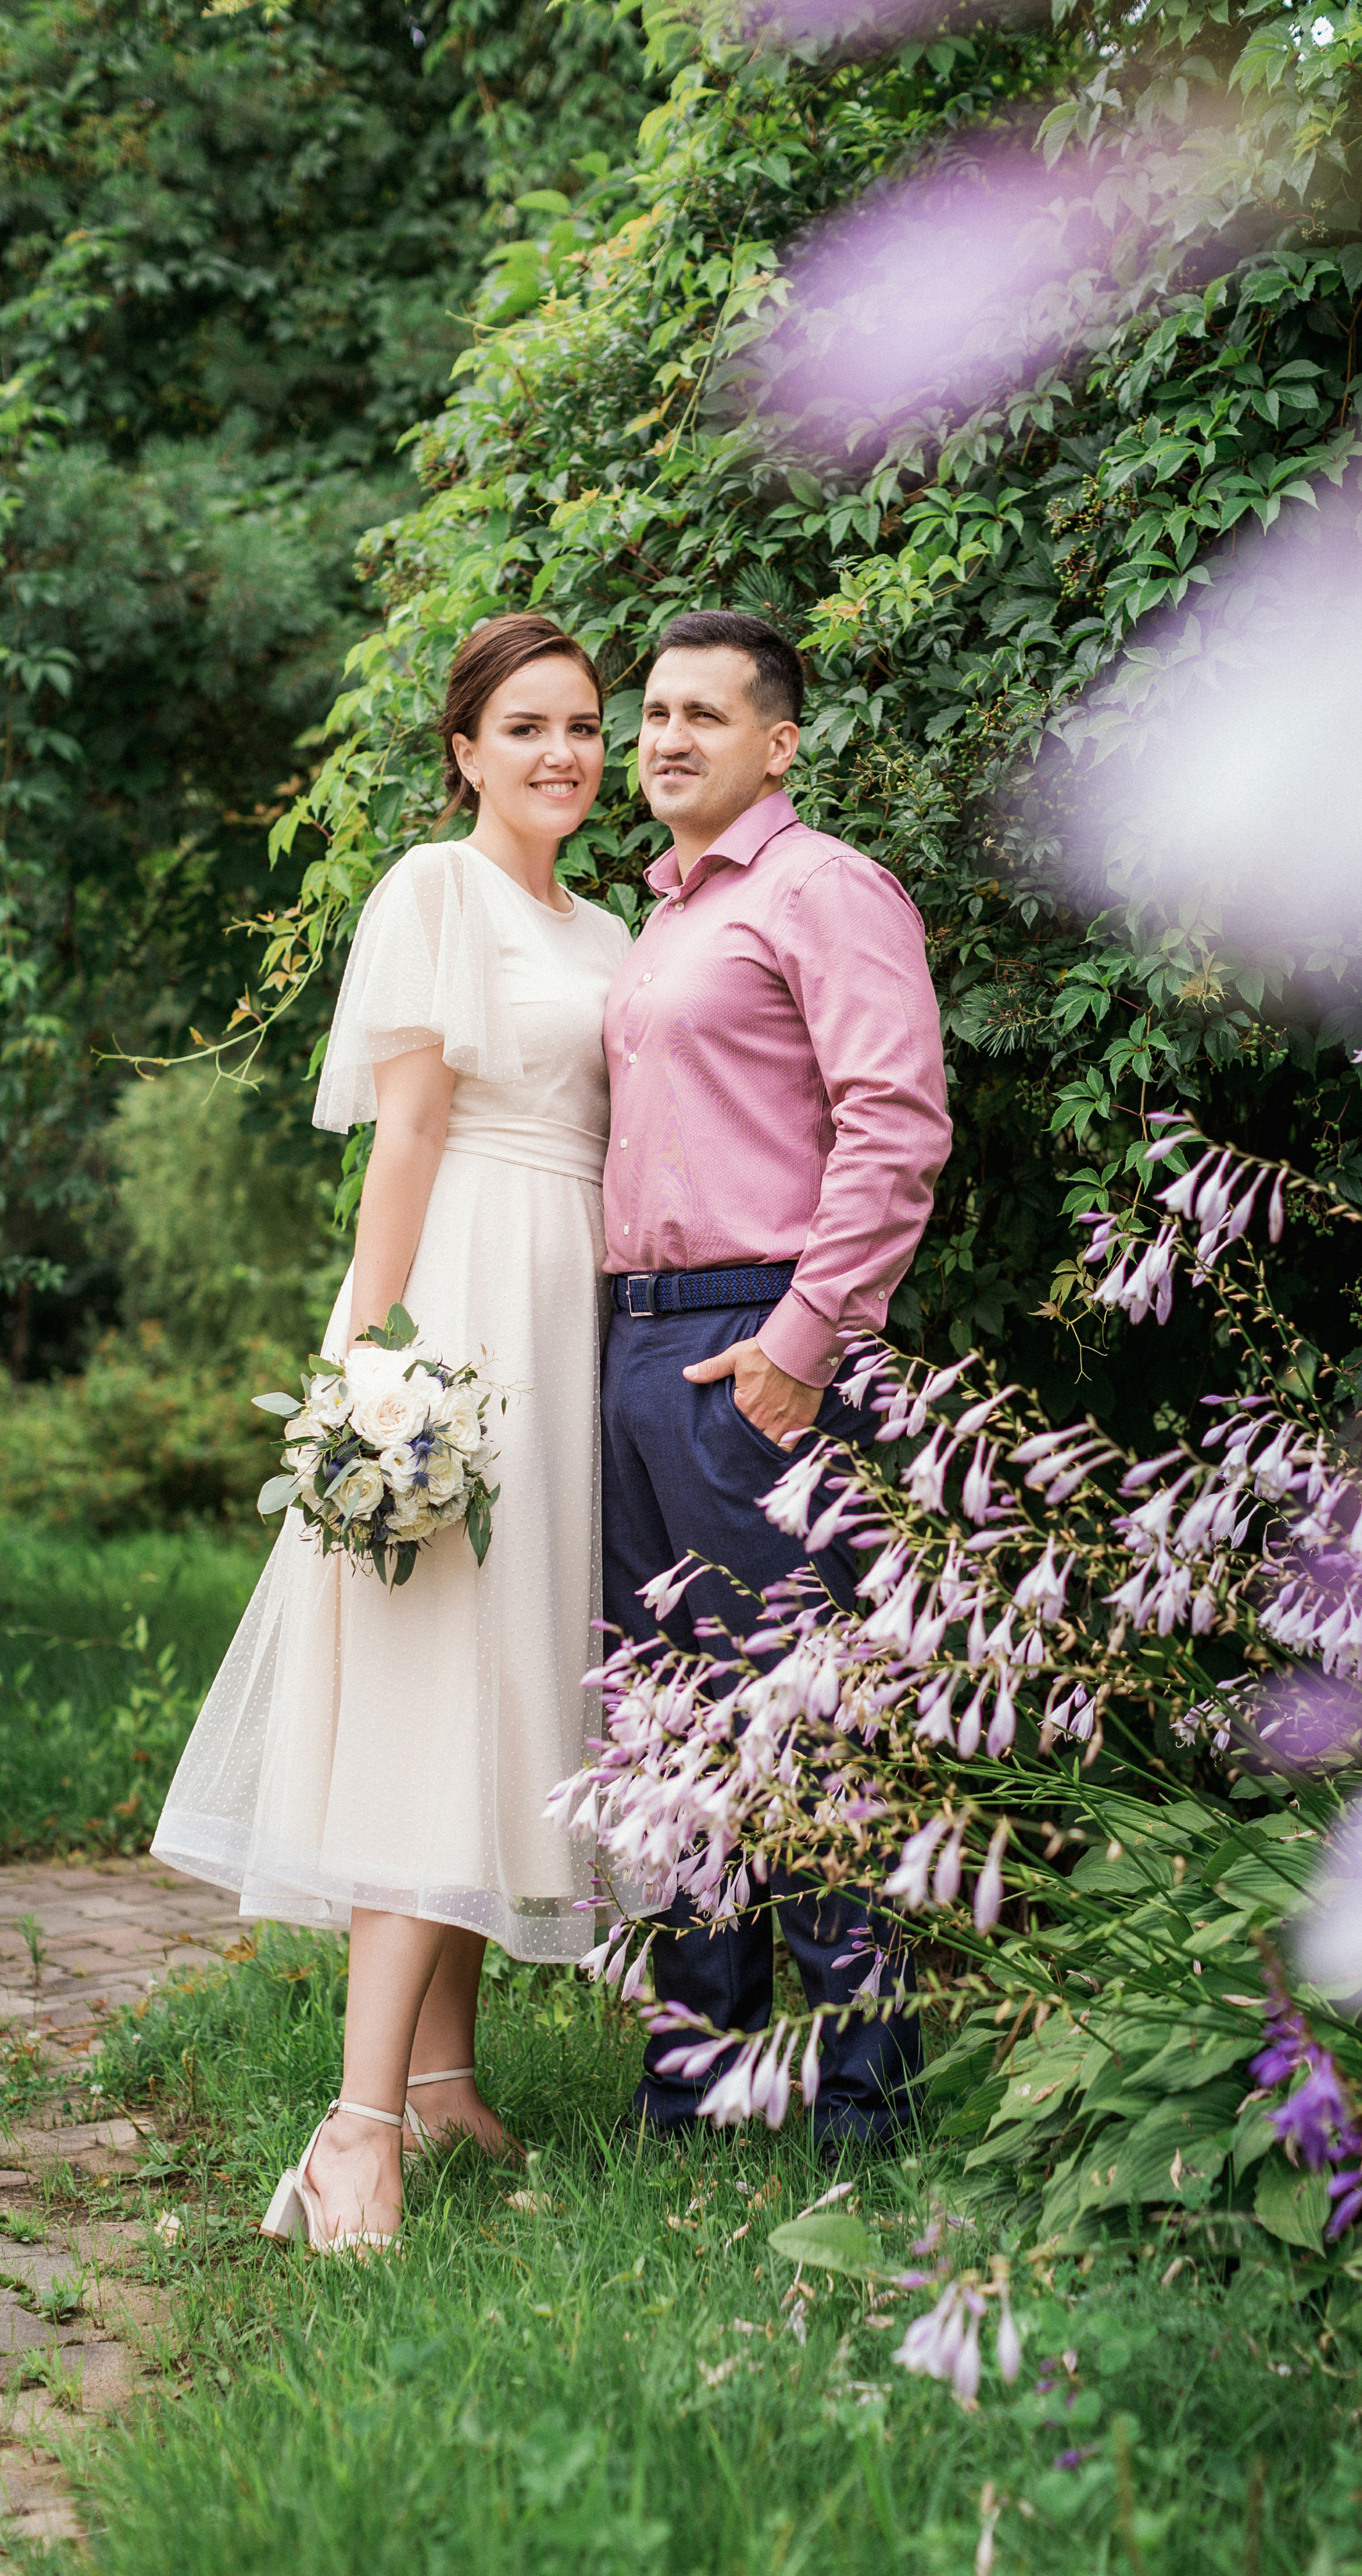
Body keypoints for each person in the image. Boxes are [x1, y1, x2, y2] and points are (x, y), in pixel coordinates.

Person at [152, 611, 630, 2251]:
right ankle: (352, 2132)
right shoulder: (436, 892)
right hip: (467, 1294)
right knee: (436, 1678)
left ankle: (440, 2083)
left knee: (502, 1677)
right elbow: (411, 1132)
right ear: (463, 750)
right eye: (526, 729)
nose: (563, 752)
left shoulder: (613, 926)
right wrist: (376, 1351)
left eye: (581, 725)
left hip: (577, 1297)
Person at [600, 607, 952, 2153]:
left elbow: (895, 1123)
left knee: (803, 1720)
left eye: (702, 715)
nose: (664, 738)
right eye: (653, 713)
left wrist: (801, 1349)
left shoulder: (823, 890)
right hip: (637, 1346)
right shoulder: (663, 918)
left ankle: (866, 2113)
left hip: (756, 1341)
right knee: (670, 1724)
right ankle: (698, 2089)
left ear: (777, 742)